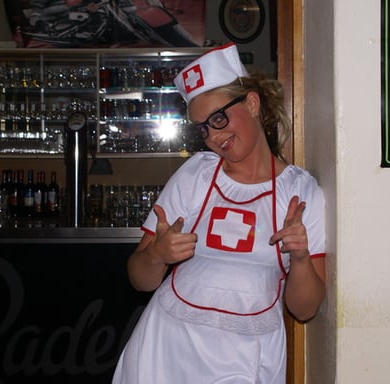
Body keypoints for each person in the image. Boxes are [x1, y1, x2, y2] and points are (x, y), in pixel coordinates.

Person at [112, 43, 326, 384]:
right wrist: (156, 255)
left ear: (252, 104)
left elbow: (305, 309)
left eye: (218, 118)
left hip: (249, 356)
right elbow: (140, 279)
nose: (213, 135)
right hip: (166, 351)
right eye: (203, 128)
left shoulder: (300, 192)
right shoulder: (195, 175)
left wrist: (300, 258)